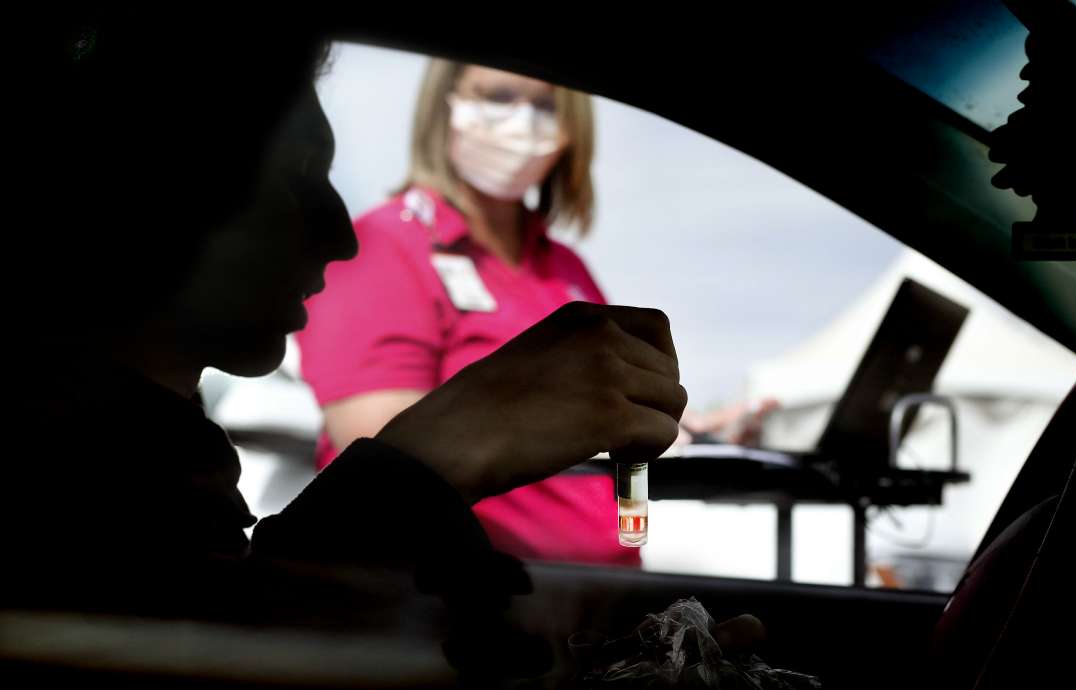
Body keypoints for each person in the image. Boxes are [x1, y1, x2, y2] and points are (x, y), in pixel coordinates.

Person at [0, 14, 703, 682]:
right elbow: (194, 661)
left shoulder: (129, 451)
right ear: (156, 179)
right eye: (301, 173)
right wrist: (424, 461)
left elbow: (207, 615)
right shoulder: (7, 461)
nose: (341, 235)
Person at [298, 60, 775, 565]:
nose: (523, 121)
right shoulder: (384, 245)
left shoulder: (564, 266)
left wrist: (686, 428)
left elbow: (598, 409)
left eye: (547, 105)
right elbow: (381, 467)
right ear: (445, 104)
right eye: (498, 96)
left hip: (600, 592)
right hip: (479, 597)